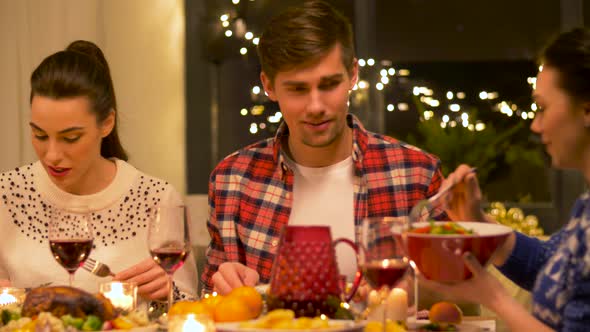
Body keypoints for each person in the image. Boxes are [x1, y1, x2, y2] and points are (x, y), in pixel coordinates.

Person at [202, 0, 446, 295]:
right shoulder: (232, 180)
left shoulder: (416, 174)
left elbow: (462, 294)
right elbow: (210, 304)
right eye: (298, 89)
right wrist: (223, 285)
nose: (316, 106)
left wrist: (417, 290)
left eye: (329, 85)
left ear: (352, 75)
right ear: (269, 86)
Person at [0, 40, 198, 303]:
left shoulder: (157, 198)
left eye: (70, 138)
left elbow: (191, 309)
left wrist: (170, 293)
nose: (52, 155)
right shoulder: (7, 193)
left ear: (106, 123)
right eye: (39, 135)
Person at [421, 28, 590, 331]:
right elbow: (549, 265)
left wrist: (492, 296)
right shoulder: (586, 208)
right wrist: (477, 221)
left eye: (542, 107)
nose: (536, 126)